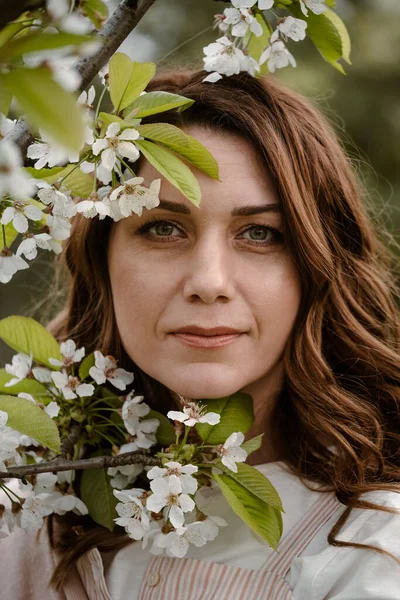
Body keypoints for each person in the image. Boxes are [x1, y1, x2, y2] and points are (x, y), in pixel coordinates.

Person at [1, 70, 399, 599]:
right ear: (103, 261)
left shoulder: (369, 548)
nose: (208, 283)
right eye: (163, 228)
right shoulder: (28, 498)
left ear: (317, 268)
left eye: (260, 234)